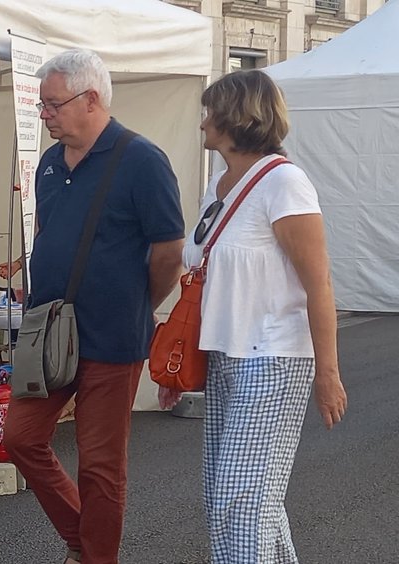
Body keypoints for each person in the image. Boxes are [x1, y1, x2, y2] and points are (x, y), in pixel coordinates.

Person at [0, 49, 185, 564]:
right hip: (50, 331)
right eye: (42, 104)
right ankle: (86, 542)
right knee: (20, 438)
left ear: (91, 99)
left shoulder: (142, 161)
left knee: (101, 465)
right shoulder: (51, 164)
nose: (43, 114)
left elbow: (169, 251)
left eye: (52, 104)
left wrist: (139, 303)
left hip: (112, 337)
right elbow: (47, 234)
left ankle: (94, 556)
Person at [158, 70, 347, 563]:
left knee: (240, 504)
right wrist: (182, 365)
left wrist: (327, 373)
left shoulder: (284, 182)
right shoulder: (218, 183)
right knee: (246, 500)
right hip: (225, 355)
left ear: (237, 116)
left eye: (209, 111)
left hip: (275, 357)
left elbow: (319, 282)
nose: (202, 122)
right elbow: (207, 276)